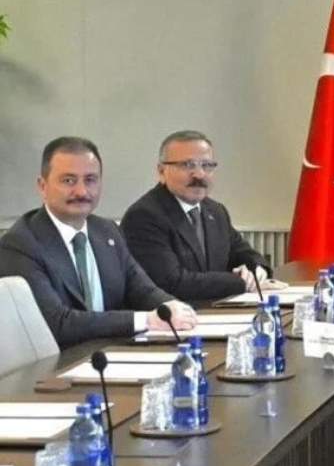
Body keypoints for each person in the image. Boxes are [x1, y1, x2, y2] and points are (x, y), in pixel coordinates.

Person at [0, 136, 196, 348]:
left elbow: (142, 290)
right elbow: (57, 323)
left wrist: (174, 308)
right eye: (68, 181)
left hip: (111, 352)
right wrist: (146, 320)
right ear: (42, 186)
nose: (82, 191)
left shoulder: (106, 231)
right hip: (62, 362)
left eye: (90, 180)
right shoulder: (20, 244)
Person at [120, 130, 283, 301]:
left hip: (215, 309)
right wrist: (241, 282)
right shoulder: (144, 216)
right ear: (161, 172)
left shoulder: (215, 211)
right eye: (187, 165)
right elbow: (172, 283)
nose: (199, 174)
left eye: (207, 165)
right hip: (173, 314)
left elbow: (242, 252)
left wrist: (257, 270)